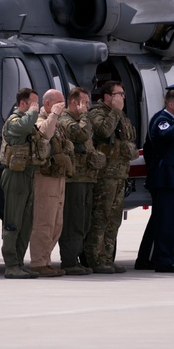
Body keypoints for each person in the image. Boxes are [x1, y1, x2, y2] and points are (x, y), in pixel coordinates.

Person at [141, 83, 174, 273]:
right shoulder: (163, 119)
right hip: (165, 180)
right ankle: (164, 260)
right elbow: (166, 136)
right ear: (171, 105)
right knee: (165, 222)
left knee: (172, 221)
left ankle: (168, 257)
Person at [86, 81, 140, 274]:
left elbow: (129, 136)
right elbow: (103, 131)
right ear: (107, 96)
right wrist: (116, 112)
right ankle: (94, 258)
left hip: (119, 173)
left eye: (123, 95)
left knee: (114, 218)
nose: (122, 98)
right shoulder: (97, 113)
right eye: (118, 94)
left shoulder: (121, 115)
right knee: (101, 216)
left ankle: (107, 258)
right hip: (105, 174)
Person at [58, 86, 103, 276]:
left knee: (84, 221)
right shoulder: (66, 119)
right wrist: (85, 117)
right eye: (85, 102)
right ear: (75, 102)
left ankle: (76, 258)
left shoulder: (79, 120)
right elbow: (81, 134)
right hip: (73, 180)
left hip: (86, 178)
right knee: (73, 221)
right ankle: (69, 261)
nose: (88, 106)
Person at [0, 88, 44, 279]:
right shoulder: (14, 122)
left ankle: (19, 261)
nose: (37, 106)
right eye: (34, 103)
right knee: (13, 221)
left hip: (27, 174)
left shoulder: (29, 122)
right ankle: (11, 264)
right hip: (15, 176)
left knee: (26, 223)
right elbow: (25, 127)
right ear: (23, 104)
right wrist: (34, 111)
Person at [27, 88, 68, 277]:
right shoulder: (40, 118)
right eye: (59, 102)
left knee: (56, 222)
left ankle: (46, 259)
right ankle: (37, 262)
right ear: (48, 103)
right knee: (44, 221)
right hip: (44, 178)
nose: (62, 106)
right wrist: (54, 115)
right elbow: (44, 134)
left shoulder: (58, 120)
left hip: (58, 176)